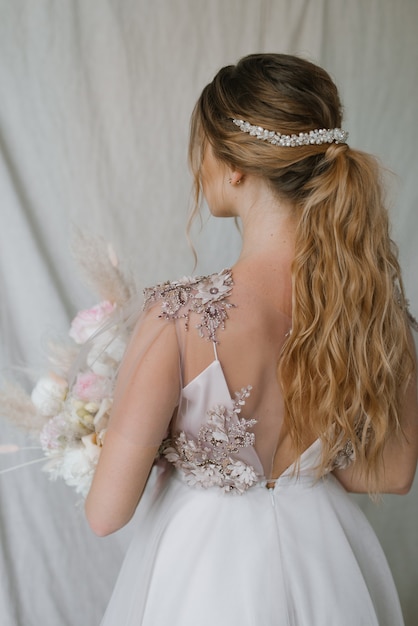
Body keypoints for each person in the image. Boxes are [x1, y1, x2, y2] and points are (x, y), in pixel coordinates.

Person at [85, 53, 418, 625]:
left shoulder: (178, 316)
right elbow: (390, 474)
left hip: (202, 575)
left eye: (204, 150)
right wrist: (306, 448)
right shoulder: (374, 311)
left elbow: (106, 513)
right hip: (326, 568)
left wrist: (146, 444)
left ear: (235, 165)